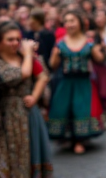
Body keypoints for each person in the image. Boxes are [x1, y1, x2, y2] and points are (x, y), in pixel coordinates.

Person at [48, 9, 105, 154]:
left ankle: (80, 140)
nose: (69, 24)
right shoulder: (60, 43)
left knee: (81, 109)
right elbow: (53, 65)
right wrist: (54, 55)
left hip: (83, 81)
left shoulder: (89, 42)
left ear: (79, 23)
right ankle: (69, 138)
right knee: (64, 109)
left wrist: (98, 49)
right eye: (66, 21)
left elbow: (99, 60)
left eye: (72, 21)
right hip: (66, 82)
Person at [0, 21, 52, 178]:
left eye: (17, 39)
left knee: (33, 153)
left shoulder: (24, 57)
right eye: (10, 39)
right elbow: (22, 74)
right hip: (6, 116)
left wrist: (35, 96)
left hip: (29, 114)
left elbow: (43, 76)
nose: (15, 43)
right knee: (12, 156)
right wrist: (29, 54)